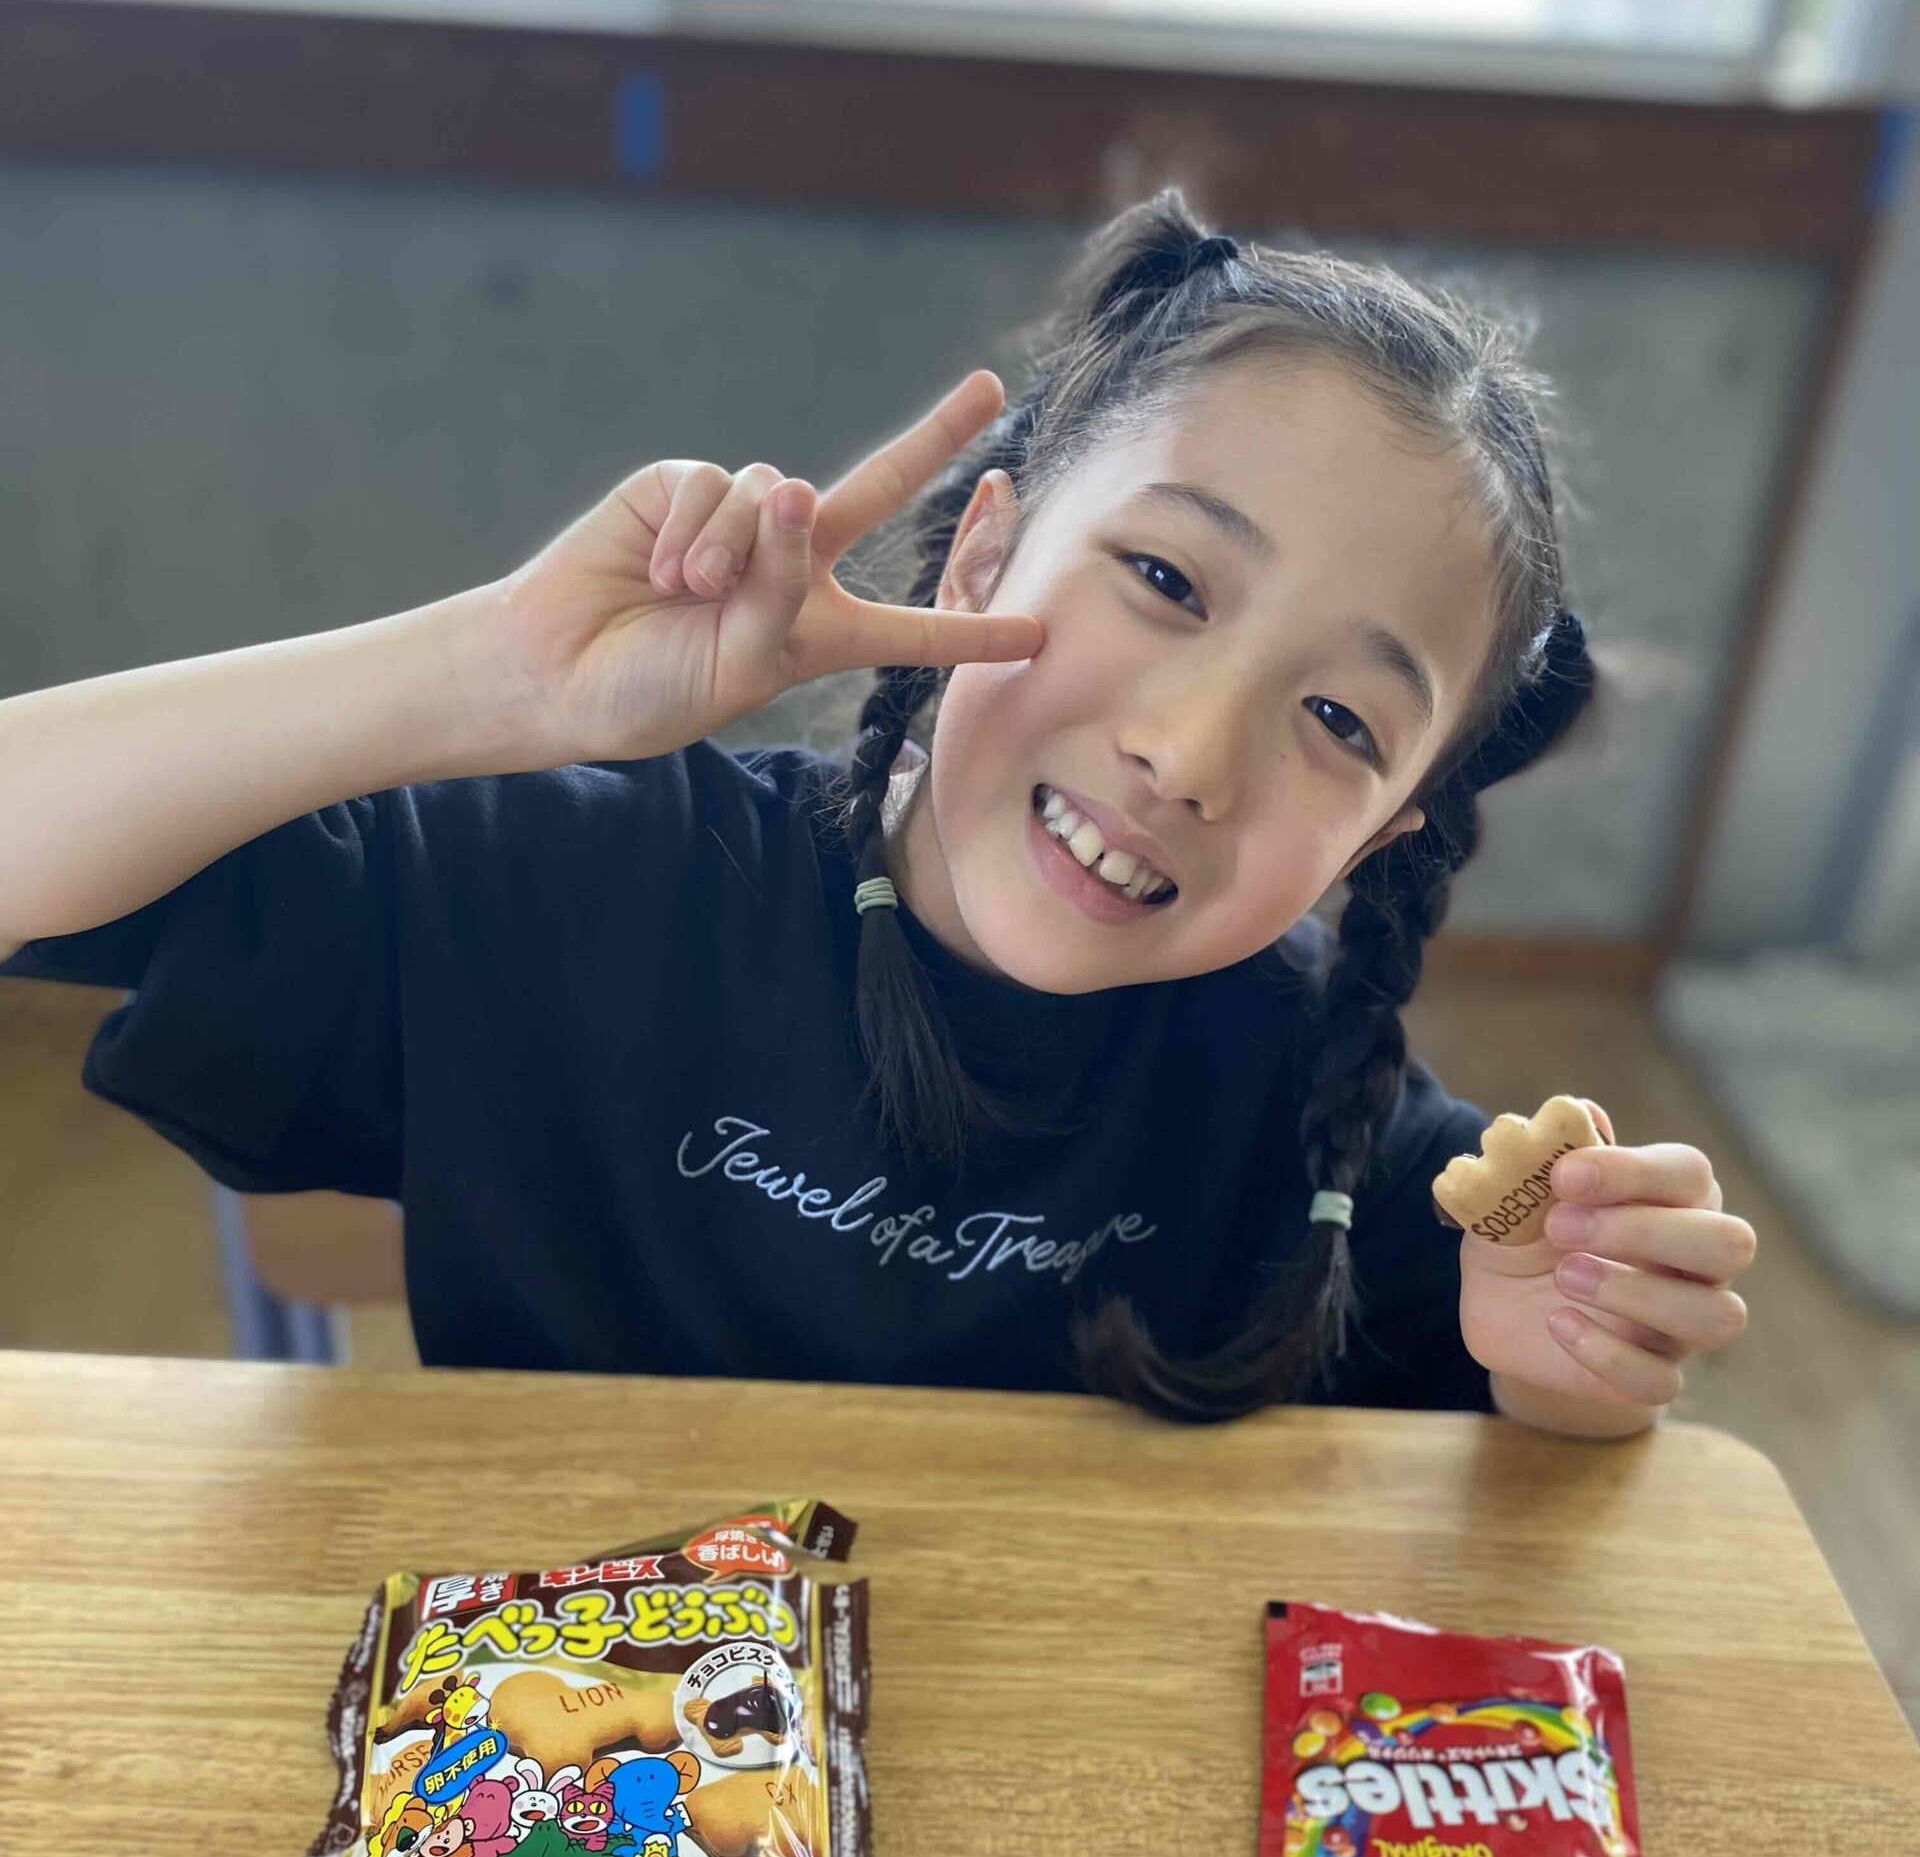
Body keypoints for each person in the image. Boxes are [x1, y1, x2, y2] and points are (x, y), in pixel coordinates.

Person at [0, 188, 1755, 1432]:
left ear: (1382, 834)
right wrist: (492, 680)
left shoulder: (1318, 1109)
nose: (1190, 754)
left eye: (1339, 721)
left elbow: (1522, 1442)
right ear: (983, 551)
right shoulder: (584, 888)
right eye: (1164, 578)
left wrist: (1569, 1366)